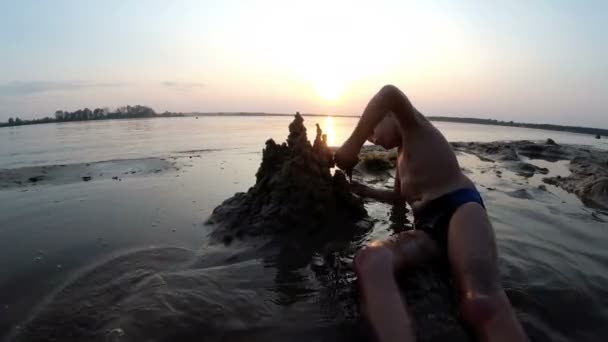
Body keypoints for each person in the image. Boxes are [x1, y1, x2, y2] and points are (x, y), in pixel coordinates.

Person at [334, 85, 528, 342]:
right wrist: (363, 190)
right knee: (371, 259)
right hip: (427, 228)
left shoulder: (415, 127)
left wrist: (353, 143)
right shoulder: (402, 159)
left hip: (460, 209)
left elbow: (389, 93)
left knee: (479, 302)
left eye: (372, 128)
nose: (371, 138)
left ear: (390, 115)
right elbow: (398, 199)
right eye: (367, 136)